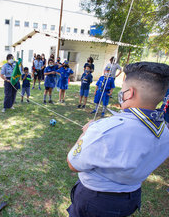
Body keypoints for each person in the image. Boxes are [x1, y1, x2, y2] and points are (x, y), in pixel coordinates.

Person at [67, 62, 169, 217]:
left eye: (122, 89)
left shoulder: (105, 129)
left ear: (129, 93)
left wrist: (86, 134)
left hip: (96, 200)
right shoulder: (165, 133)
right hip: (131, 197)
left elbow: (73, 164)